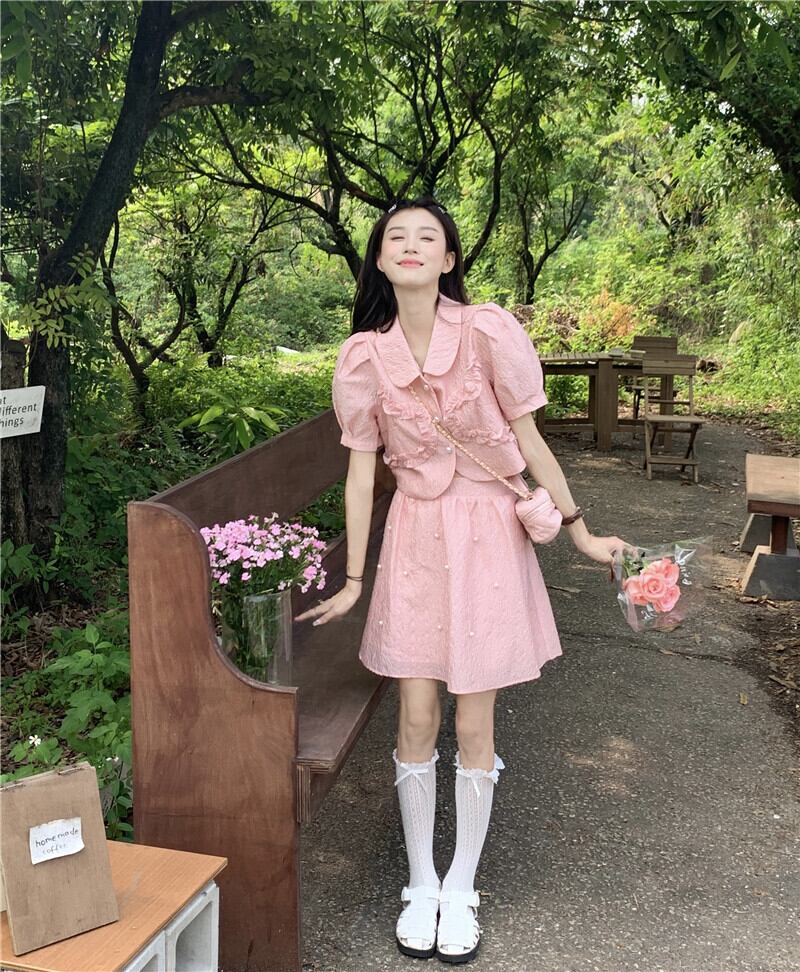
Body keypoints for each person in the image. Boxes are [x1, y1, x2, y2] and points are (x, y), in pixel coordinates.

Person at [296, 196, 628, 964]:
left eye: (429, 237)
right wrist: (354, 577)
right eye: (396, 236)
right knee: (416, 717)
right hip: (415, 537)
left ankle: (462, 885)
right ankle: (420, 882)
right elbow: (360, 474)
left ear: (448, 259)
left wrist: (580, 531)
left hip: (487, 537)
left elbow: (529, 441)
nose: (411, 245)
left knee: (475, 724)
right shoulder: (364, 356)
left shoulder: (486, 331)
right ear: (380, 259)